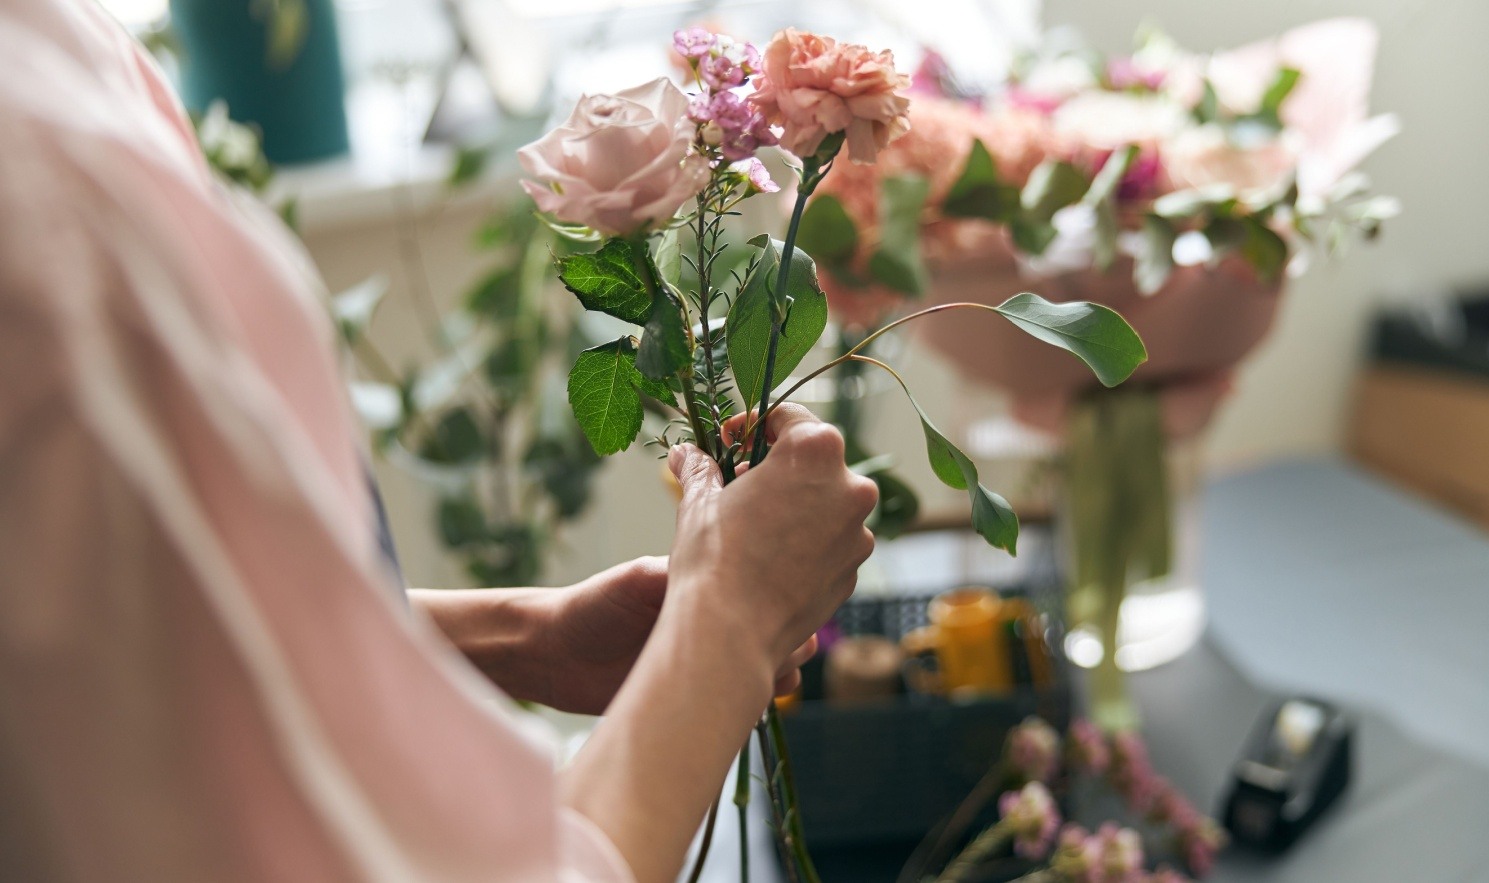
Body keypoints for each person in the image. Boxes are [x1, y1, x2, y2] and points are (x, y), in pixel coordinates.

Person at [0, 2, 878, 881]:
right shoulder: (51, 217)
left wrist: (514, 636)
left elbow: (121, 645)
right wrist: (730, 622)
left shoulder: (64, 62)